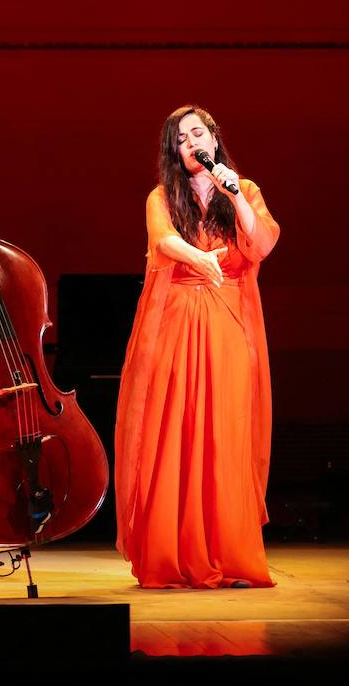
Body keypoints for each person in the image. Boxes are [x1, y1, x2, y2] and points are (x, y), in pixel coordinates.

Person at [114, 105, 280, 589]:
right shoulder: (162, 196)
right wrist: (199, 257)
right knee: (178, 432)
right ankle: (173, 555)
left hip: (228, 324)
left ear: (213, 138)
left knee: (225, 433)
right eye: (180, 139)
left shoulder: (243, 189)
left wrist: (234, 193)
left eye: (197, 134)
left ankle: (230, 556)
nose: (191, 143)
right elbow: (163, 241)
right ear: (173, 151)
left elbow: (263, 243)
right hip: (178, 324)